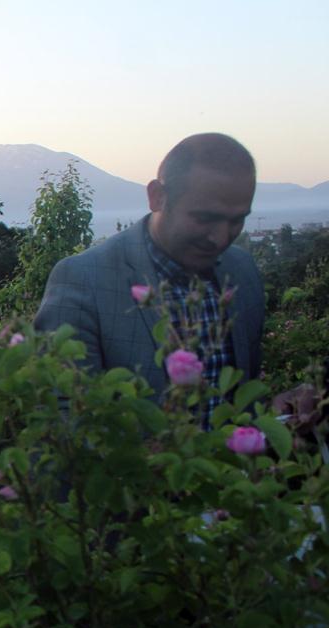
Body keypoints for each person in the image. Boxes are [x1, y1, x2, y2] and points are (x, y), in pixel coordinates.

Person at [34, 133, 264, 416]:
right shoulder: (84, 280)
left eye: (237, 220)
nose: (220, 238)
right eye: (205, 218)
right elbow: (65, 421)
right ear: (158, 196)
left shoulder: (242, 271)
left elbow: (245, 398)